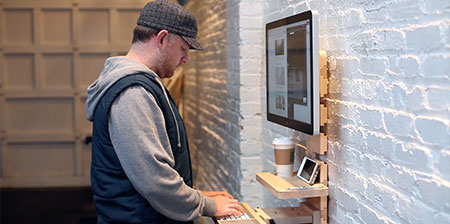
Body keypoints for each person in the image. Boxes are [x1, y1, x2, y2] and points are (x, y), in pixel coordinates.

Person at [85, 0, 245, 223]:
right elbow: (154, 181)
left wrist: (195, 194)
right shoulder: (132, 93)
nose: (186, 59)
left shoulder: (143, 85)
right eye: (183, 48)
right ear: (161, 39)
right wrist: (205, 204)